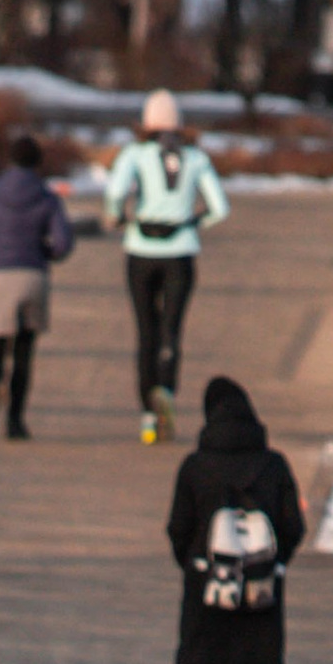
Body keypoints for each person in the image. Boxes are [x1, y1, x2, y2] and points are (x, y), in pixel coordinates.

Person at [166, 376, 305, 664]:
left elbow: (178, 530)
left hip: (207, 595)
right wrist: (270, 569)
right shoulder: (274, 466)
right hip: (261, 597)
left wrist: (196, 571)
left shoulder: (195, 468)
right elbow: (292, 528)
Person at [101, 88, 230, 444]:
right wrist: (192, 224)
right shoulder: (196, 158)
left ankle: (146, 415)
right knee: (172, 330)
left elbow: (114, 191)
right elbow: (220, 208)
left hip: (141, 250)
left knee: (146, 331)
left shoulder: (135, 154)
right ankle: (167, 392)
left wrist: (117, 217)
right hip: (181, 251)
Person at [0, 128, 75, 441]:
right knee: (25, 350)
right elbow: (63, 243)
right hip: (32, 275)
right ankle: (15, 422)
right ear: (38, 162)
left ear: (10, 160)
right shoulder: (47, 197)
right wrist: (44, 252)